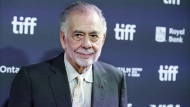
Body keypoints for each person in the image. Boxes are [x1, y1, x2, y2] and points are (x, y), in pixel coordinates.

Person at [8, 1, 127, 107]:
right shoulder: (31, 79)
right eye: (78, 35)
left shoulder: (116, 79)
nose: (87, 44)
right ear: (63, 38)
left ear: (103, 40)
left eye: (94, 36)